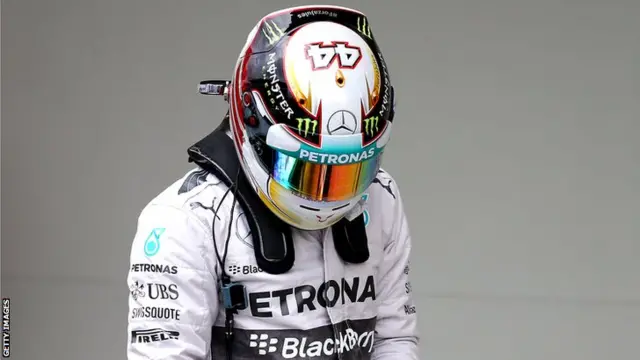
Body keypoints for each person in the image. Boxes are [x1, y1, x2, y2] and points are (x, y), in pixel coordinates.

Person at [126, 5, 419, 360]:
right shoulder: (185, 221)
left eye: (348, 172)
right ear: (255, 129)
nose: (325, 197)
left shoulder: (381, 197)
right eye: (304, 170)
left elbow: (393, 340)